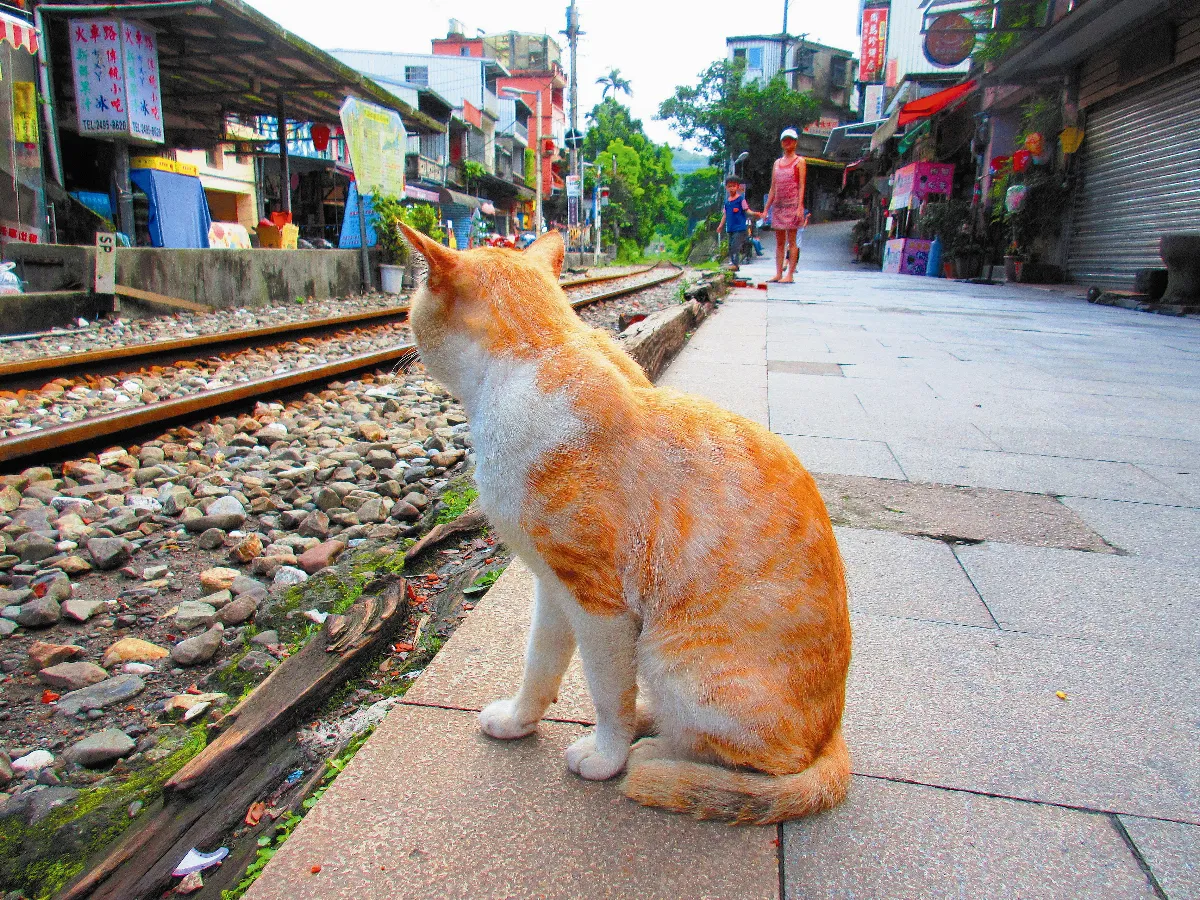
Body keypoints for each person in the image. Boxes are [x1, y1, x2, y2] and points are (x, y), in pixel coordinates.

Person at [764, 128, 808, 283]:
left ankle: (790, 274)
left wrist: (799, 206)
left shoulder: (799, 161)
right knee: (779, 241)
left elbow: (802, 185)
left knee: (792, 240)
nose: (787, 142)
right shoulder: (777, 163)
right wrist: (766, 209)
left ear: (795, 142)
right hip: (779, 206)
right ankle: (778, 273)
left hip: (793, 204)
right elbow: (773, 187)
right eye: (784, 140)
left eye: (790, 139)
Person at [715, 177, 760, 269]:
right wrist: (720, 226)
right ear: (726, 188)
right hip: (730, 228)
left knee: (735, 245)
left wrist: (755, 213)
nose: (731, 188)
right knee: (731, 246)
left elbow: (747, 210)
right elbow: (725, 215)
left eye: (733, 186)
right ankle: (733, 263)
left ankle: (735, 264)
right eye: (729, 186)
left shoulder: (741, 200)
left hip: (740, 228)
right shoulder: (727, 202)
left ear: (737, 187)